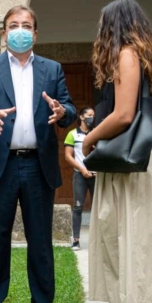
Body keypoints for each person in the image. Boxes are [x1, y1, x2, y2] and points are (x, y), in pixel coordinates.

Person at [0, 5, 76, 303]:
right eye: (14, 25)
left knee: (41, 241)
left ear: (36, 33)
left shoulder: (52, 70)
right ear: (4, 32)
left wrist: (61, 111)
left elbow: (68, 108)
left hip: (38, 165)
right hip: (0, 164)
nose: (20, 30)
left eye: (27, 25)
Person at [83, 0, 152, 303]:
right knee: (127, 238)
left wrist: (88, 137)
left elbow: (123, 114)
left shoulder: (127, 54)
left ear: (113, 25)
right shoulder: (141, 53)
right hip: (133, 162)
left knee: (135, 240)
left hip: (133, 163)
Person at [64, 107, 96, 251]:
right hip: (80, 175)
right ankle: (76, 240)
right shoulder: (72, 134)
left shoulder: (97, 133)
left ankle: (98, 240)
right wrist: (82, 169)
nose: (92, 118)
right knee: (78, 207)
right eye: (89, 115)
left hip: (96, 175)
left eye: (93, 116)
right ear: (82, 117)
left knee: (98, 207)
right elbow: (68, 156)